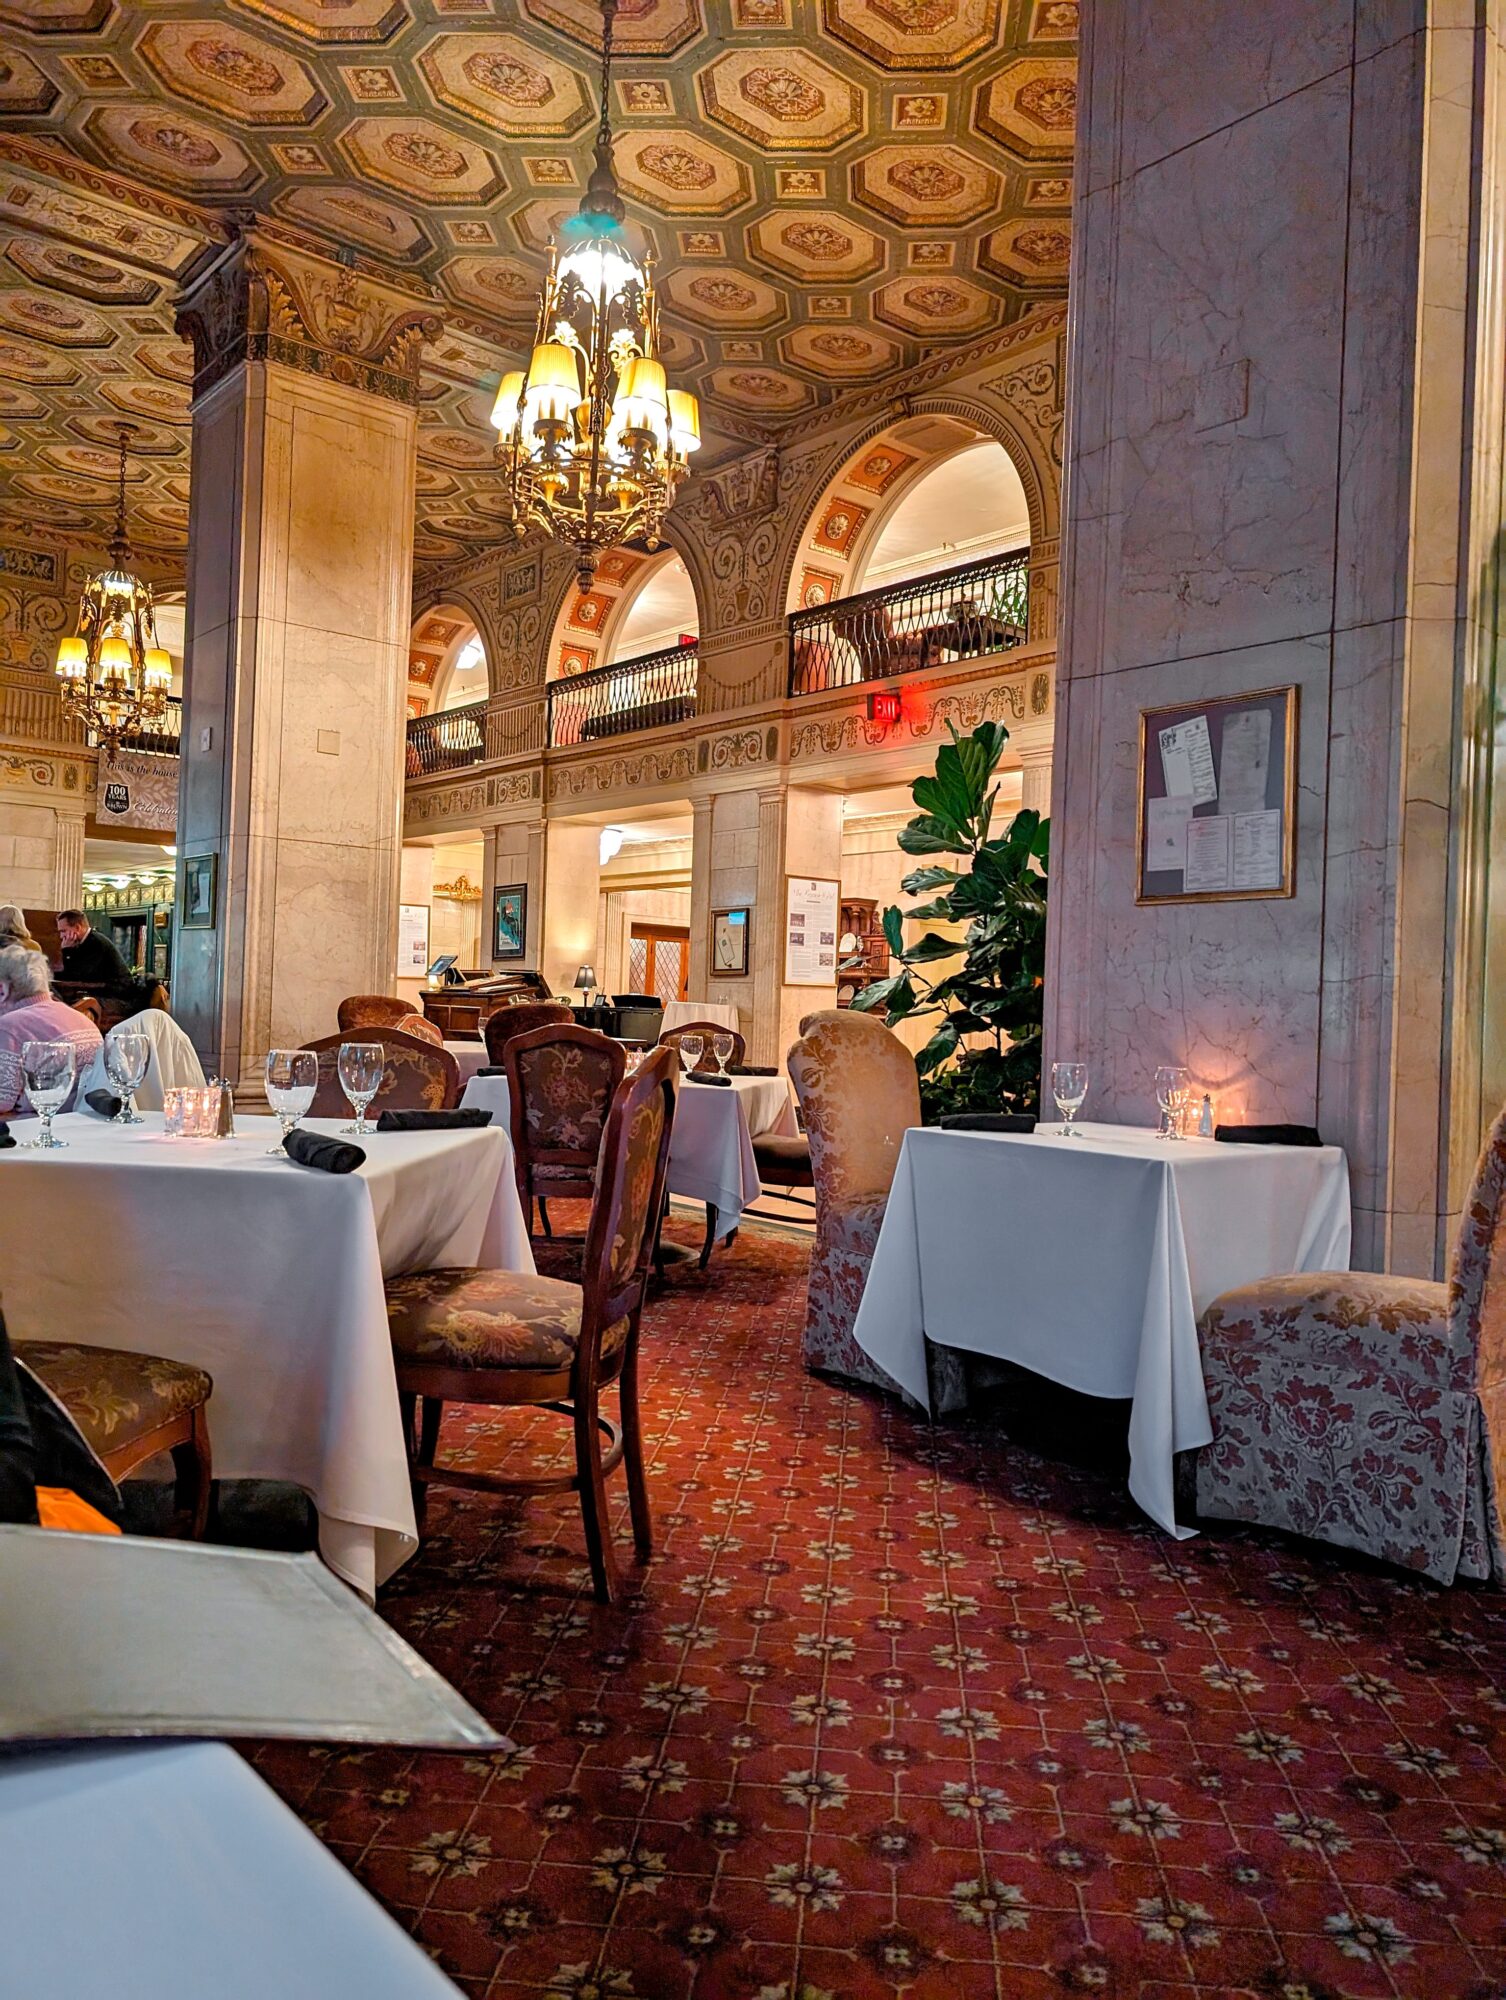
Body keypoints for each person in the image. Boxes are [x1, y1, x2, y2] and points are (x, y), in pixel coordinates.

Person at [0, 942, 102, 1117]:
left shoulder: (10, 1026)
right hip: (86, 1122)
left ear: (3, 989)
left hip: (39, 1127)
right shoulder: (76, 1016)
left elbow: (2, 1101)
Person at [55, 909, 131, 987]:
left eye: (63, 931)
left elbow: (78, 976)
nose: (61, 936)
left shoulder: (95, 942)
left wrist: (67, 951)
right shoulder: (82, 942)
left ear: (78, 927)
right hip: (100, 990)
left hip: (115, 993)